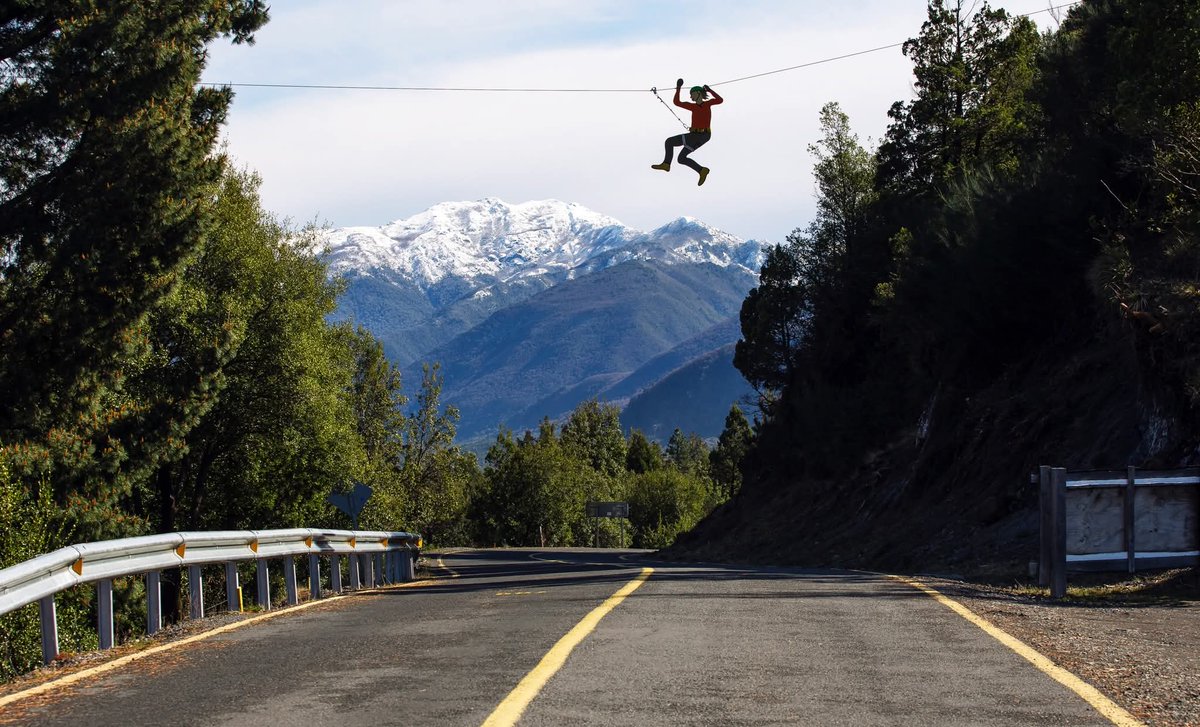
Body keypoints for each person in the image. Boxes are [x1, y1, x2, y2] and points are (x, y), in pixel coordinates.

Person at [651, 79, 724, 186]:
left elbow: (720, 100)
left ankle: (666, 164)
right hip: (697, 136)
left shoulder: (708, 104)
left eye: (692, 94)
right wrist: (678, 87)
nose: (691, 97)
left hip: (702, 135)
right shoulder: (693, 107)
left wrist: (709, 90)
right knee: (681, 158)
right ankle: (702, 170)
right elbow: (677, 102)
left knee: (669, 141)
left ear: (698, 93)